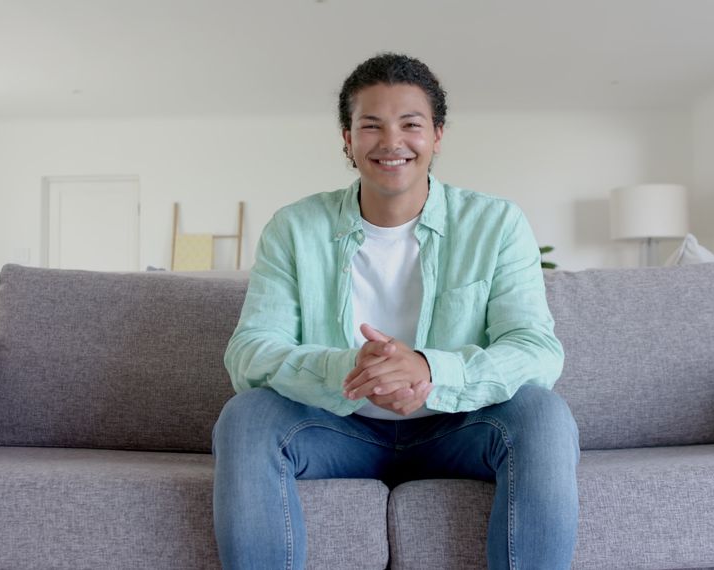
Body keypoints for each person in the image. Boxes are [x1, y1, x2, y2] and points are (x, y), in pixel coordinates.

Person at [214, 53, 579, 569]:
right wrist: (348, 368)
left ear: (437, 135)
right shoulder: (294, 228)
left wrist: (430, 368)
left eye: (410, 124)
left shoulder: (497, 224)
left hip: (457, 427)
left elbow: (536, 351)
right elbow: (249, 353)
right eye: (371, 126)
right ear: (347, 138)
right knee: (246, 417)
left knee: (543, 412)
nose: (392, 142)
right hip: (339, 429)